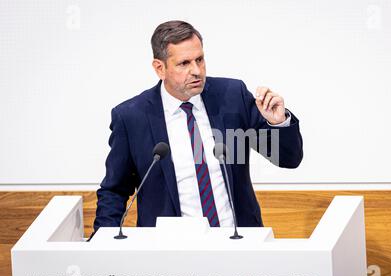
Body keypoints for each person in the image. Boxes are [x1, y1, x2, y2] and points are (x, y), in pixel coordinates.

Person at [93, 20, 303, 233]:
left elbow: (288, 159)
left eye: (200, 60)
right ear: (160, 68)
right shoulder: (132, 117)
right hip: (170, 252)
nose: (196, 71)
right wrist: (101, 247)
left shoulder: (232, 96)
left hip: (238, 244)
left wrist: (277, 123)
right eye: (184, 63)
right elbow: (115, 190)